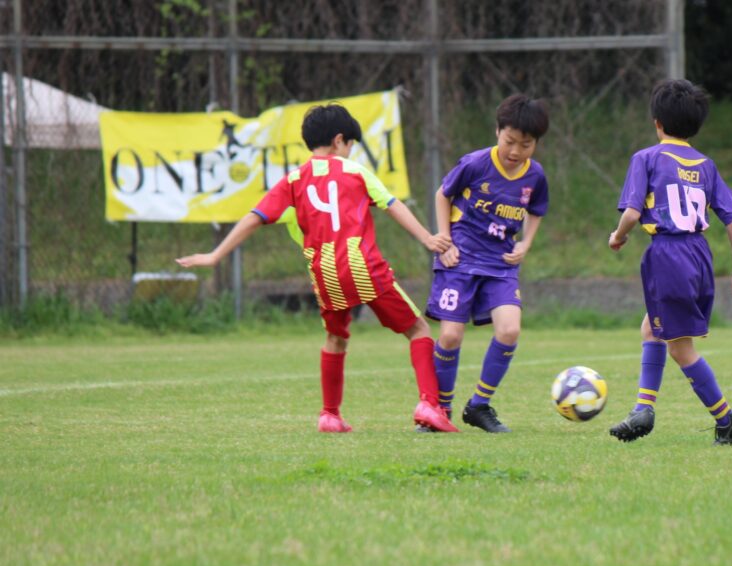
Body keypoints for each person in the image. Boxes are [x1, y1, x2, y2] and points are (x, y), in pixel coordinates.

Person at [176, 104, 458, 434]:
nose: (349, 151)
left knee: (335, 338)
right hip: (361, 266)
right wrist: (427, 238)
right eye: (350, 144)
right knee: (418, 329)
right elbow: (391, 205)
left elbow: (255, 217)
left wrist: (215, 255)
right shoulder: (354, 171)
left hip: (324, 272)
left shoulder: (293, 180)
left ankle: (329, 415)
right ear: (339, 140)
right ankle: (429, 404)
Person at [608, 79, 732, 446]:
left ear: (657, 122)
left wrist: (618, 236)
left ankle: (725, 418)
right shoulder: (705, 164)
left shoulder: (647, 158)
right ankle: (643, 407)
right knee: (653, 327)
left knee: (679, 346)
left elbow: (632, 213)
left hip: (668, 253)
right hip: (699, 254)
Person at [424, 94, 550, 433]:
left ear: (536, 144)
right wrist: (444, 238)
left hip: (501, 264)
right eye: (510, 141)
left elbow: (537, 210)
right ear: (497, 131)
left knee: (510, 330)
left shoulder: (535, 176)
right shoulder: (475, 163)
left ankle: (479, 405)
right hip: (460, 259)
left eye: (525, 145)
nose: (515, 151)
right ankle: (441, 409)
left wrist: (525, 243)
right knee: (450, 335)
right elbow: (443, 194)